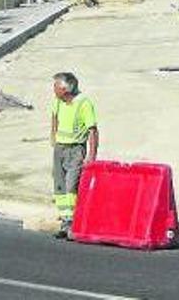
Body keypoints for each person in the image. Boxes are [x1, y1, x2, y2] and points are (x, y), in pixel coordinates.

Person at [50, 72, 99, 239]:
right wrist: (53, 135)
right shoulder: (58, 101)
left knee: (72, 187)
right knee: (60, 188)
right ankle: (65, 222)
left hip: (75, 150)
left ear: (65, 89)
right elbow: (54, 116)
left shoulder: (83, 103)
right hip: (60, 149)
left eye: (56, 86)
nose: (54, 89)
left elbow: (92, 130)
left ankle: (73, 223)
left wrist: (91, 155)